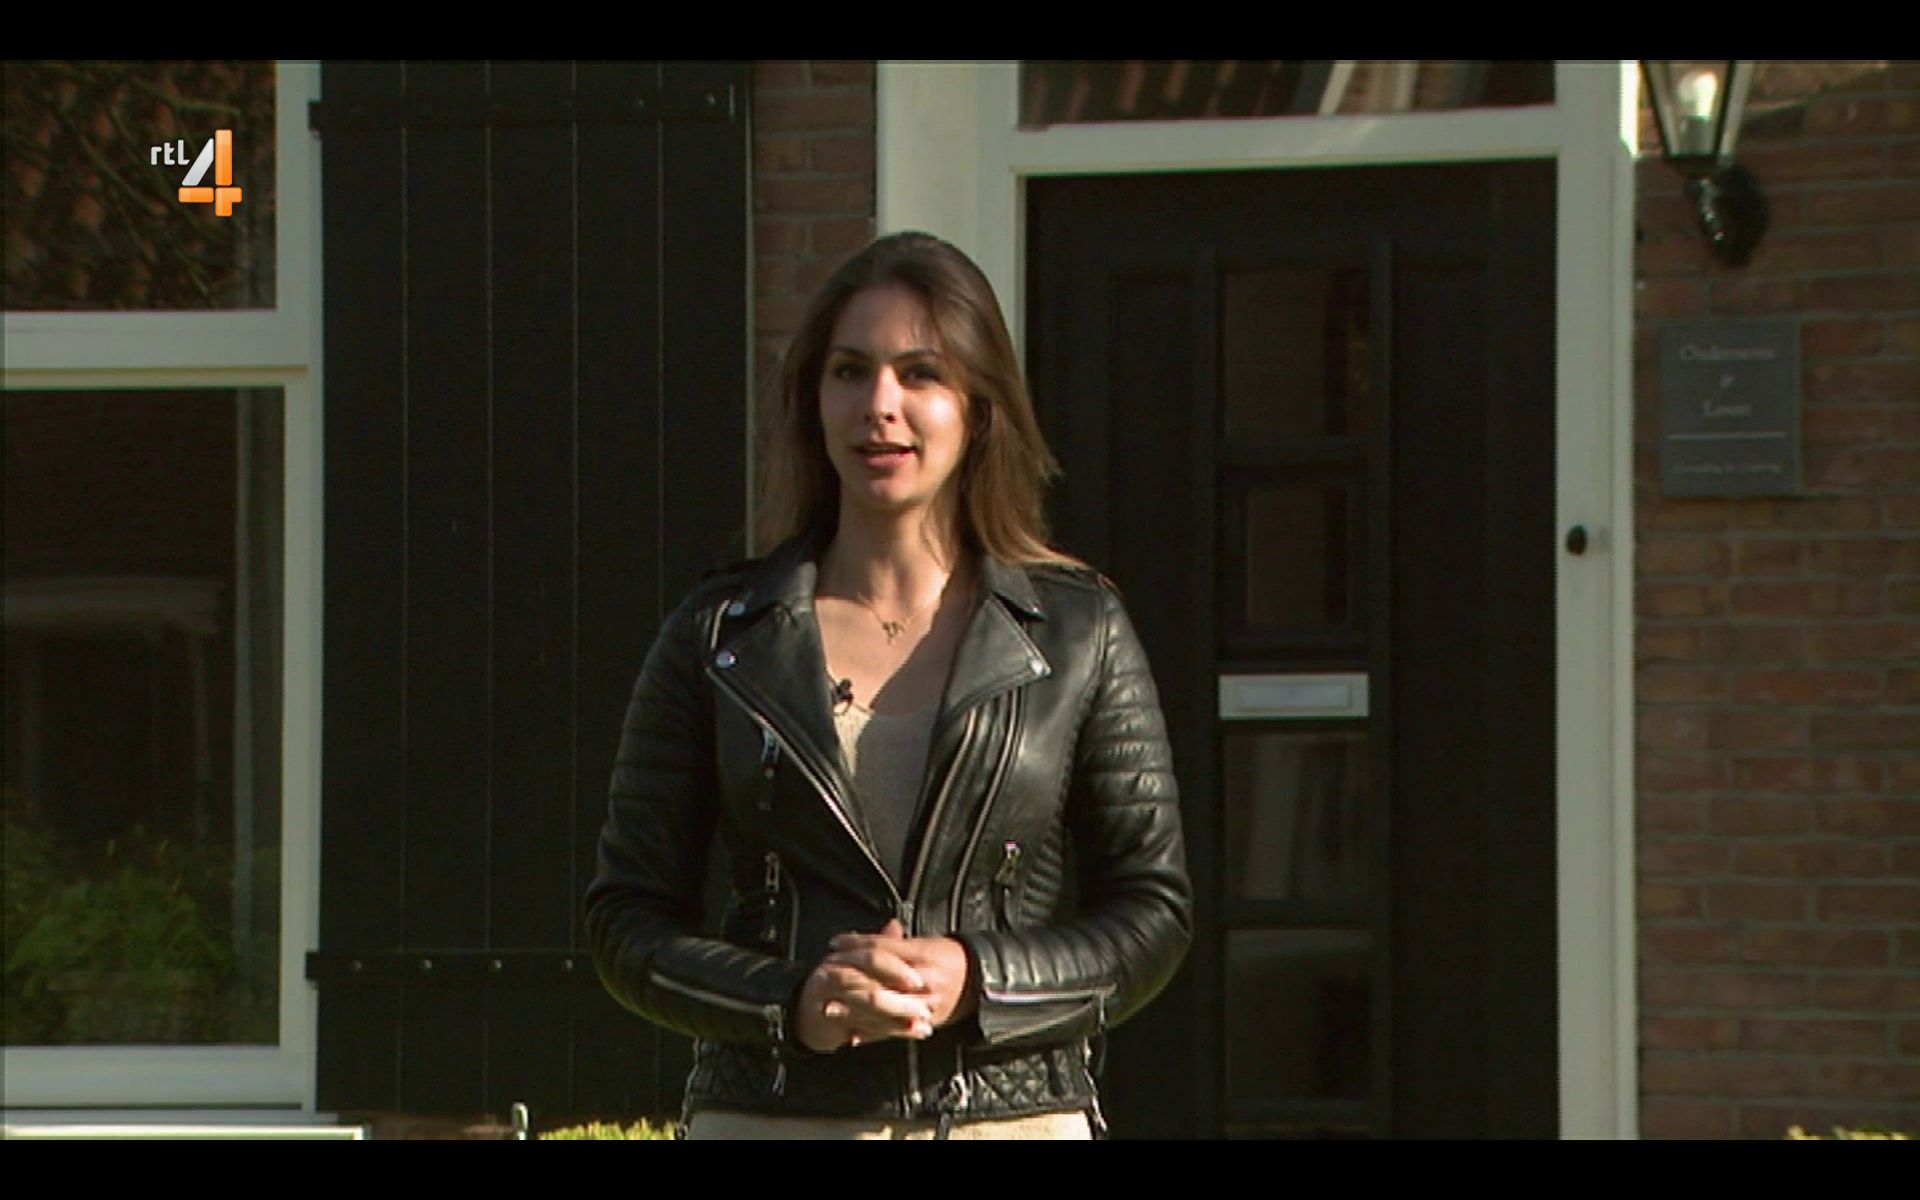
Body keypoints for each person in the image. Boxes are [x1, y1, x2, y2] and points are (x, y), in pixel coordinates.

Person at [584, 231, 1190, 1139]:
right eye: (850, 372)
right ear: (813, 400)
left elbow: (1153, 912)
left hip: (1005, 1121)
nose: (880, 405)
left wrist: (975, 977)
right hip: (773, 1118)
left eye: (920, 374)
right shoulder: (720, 635)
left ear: (978, 407)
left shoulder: (1078, 632)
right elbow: (626, 917)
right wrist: (791, 1002)